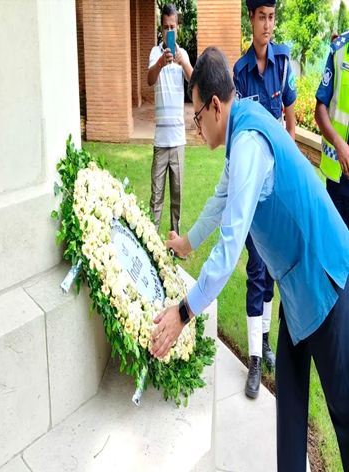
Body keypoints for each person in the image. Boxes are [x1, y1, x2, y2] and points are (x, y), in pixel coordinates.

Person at [157, 46, 349, 471]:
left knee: (344, 412)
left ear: (214, 105)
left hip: (324, 277)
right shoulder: (242, 125)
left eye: (196, 117)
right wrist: (186, 243)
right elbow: (220, 201)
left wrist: (184, 312)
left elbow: (229, 249)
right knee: (290, 401)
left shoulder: (247, 144)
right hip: (298, 285)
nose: (196, 128)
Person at [231, 0, 296, 398]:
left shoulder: (283, 64)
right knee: (256, 269)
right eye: (261, 17)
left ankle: (268, 342)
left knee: (273, 269)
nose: (268, 25)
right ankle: (255, 358)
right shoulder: (239, 74)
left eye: (272, 18)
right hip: (254, 191)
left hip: (278, 191)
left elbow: (290, 116)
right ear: (250, 20)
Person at [147, 3, 193, 235]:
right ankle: (151, 244)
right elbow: (149, 80)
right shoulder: (156, 54)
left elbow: (194, 83)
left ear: (178, 27)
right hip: (160, 141)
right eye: (165, 27)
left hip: (178, 140)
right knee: (156, 198)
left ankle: (174, 243)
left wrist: (182, 62)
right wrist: (161, 63)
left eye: (172, 26)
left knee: (177, 198)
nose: (169, 31)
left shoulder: (182, 54)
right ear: (161, 28)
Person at [315, 29, 349, 230]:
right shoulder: (340, 50)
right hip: (340, 180)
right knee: (337, 251)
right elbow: (320, 111)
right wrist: (339, 145)